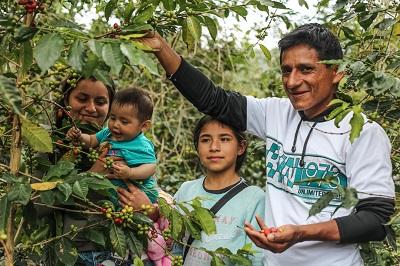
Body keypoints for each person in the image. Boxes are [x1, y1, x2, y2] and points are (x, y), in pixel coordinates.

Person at [124, 23, 395, 266]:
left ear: (336, 72)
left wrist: (300, 233)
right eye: (286, 70)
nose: (292, 81)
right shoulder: (275, 114)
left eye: (306, 69)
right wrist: (162, 50)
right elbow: (213, 100)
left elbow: (374, 219)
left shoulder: (362, 133)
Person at [120, 115, 265, 265]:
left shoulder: (255, 199)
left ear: (241, 147)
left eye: (224, 139)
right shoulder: (186, 190)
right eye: (205, 140)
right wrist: (151, 212)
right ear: (197, 147)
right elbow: (170, 240)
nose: (214, 147)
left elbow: (256, 258)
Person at [67, 87, 158, 206]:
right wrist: (79, 136)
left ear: (144, 126)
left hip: (138, 193)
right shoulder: (107, 133)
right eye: (113, 118)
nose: (115, 124)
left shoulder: (142, 144)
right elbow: (91, 141)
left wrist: (131, 172)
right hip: (113, 191)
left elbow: (151, 167)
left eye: (124, 122)